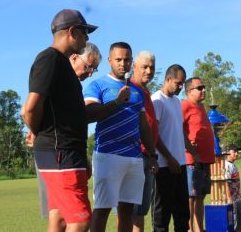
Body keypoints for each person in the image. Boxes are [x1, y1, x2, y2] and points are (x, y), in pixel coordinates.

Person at [22, 9, 98, 232]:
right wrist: (37, 131)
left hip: (66, 152)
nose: (87, 38)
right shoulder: (50, 59)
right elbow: (30, 108)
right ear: (72, 32)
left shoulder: (62, 63)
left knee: (63, 218)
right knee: (81, 219)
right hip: (59, 152)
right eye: (85, 33)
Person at [84, 42, 157, 232]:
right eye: (118, 59)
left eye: (126, 60)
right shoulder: (97, 85)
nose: (122, 64)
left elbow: (143, 125)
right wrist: (117, 102)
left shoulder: (137, 91)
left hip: (133, 157)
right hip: (108, 155)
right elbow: (89, 114)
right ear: (109, 60)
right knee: (102, 210)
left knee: (127, 211)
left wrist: (152, 154)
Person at [151, 64, 198, 232]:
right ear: (168, 79)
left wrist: (192, 152)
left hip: (180, 164)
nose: (181, 87)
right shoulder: (156, 100)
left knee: (182, 214)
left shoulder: (177, 102)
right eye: (178, 83)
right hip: (164, 166)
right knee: (162, 215)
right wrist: (169, 158)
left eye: (182, 83)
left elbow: (179, 131)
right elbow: (153, 135)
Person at [130, 51, 159, 232]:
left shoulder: (145, 91)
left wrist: (152, 155)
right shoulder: (130, 89)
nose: (148, 71)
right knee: (128, 210)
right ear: (134, 67)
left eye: (152, 67)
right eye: (144, 67)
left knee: (140, 211)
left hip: (147, 156)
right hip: (133, 155)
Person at [181, 77, 215, 232]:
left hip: (204, 160)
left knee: (200, 197)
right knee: (190, 197)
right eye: (200, 88)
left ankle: (199, 228)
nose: (204, 90)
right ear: (189, 91)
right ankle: (189, 228)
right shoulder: (184, 105)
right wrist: (188, 147)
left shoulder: (201, 107)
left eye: (204, 87)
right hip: (191, 160)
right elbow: (177, 128)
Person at [225, 144, 241, 232]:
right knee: (233, 223)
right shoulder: (226, 165)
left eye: (237, 152)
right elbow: (225, 183)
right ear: (228, 153)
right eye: (234, 152)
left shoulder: (233, 165)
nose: (237, 154)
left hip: (237, 198)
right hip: (231, 200)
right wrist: (229, 198)